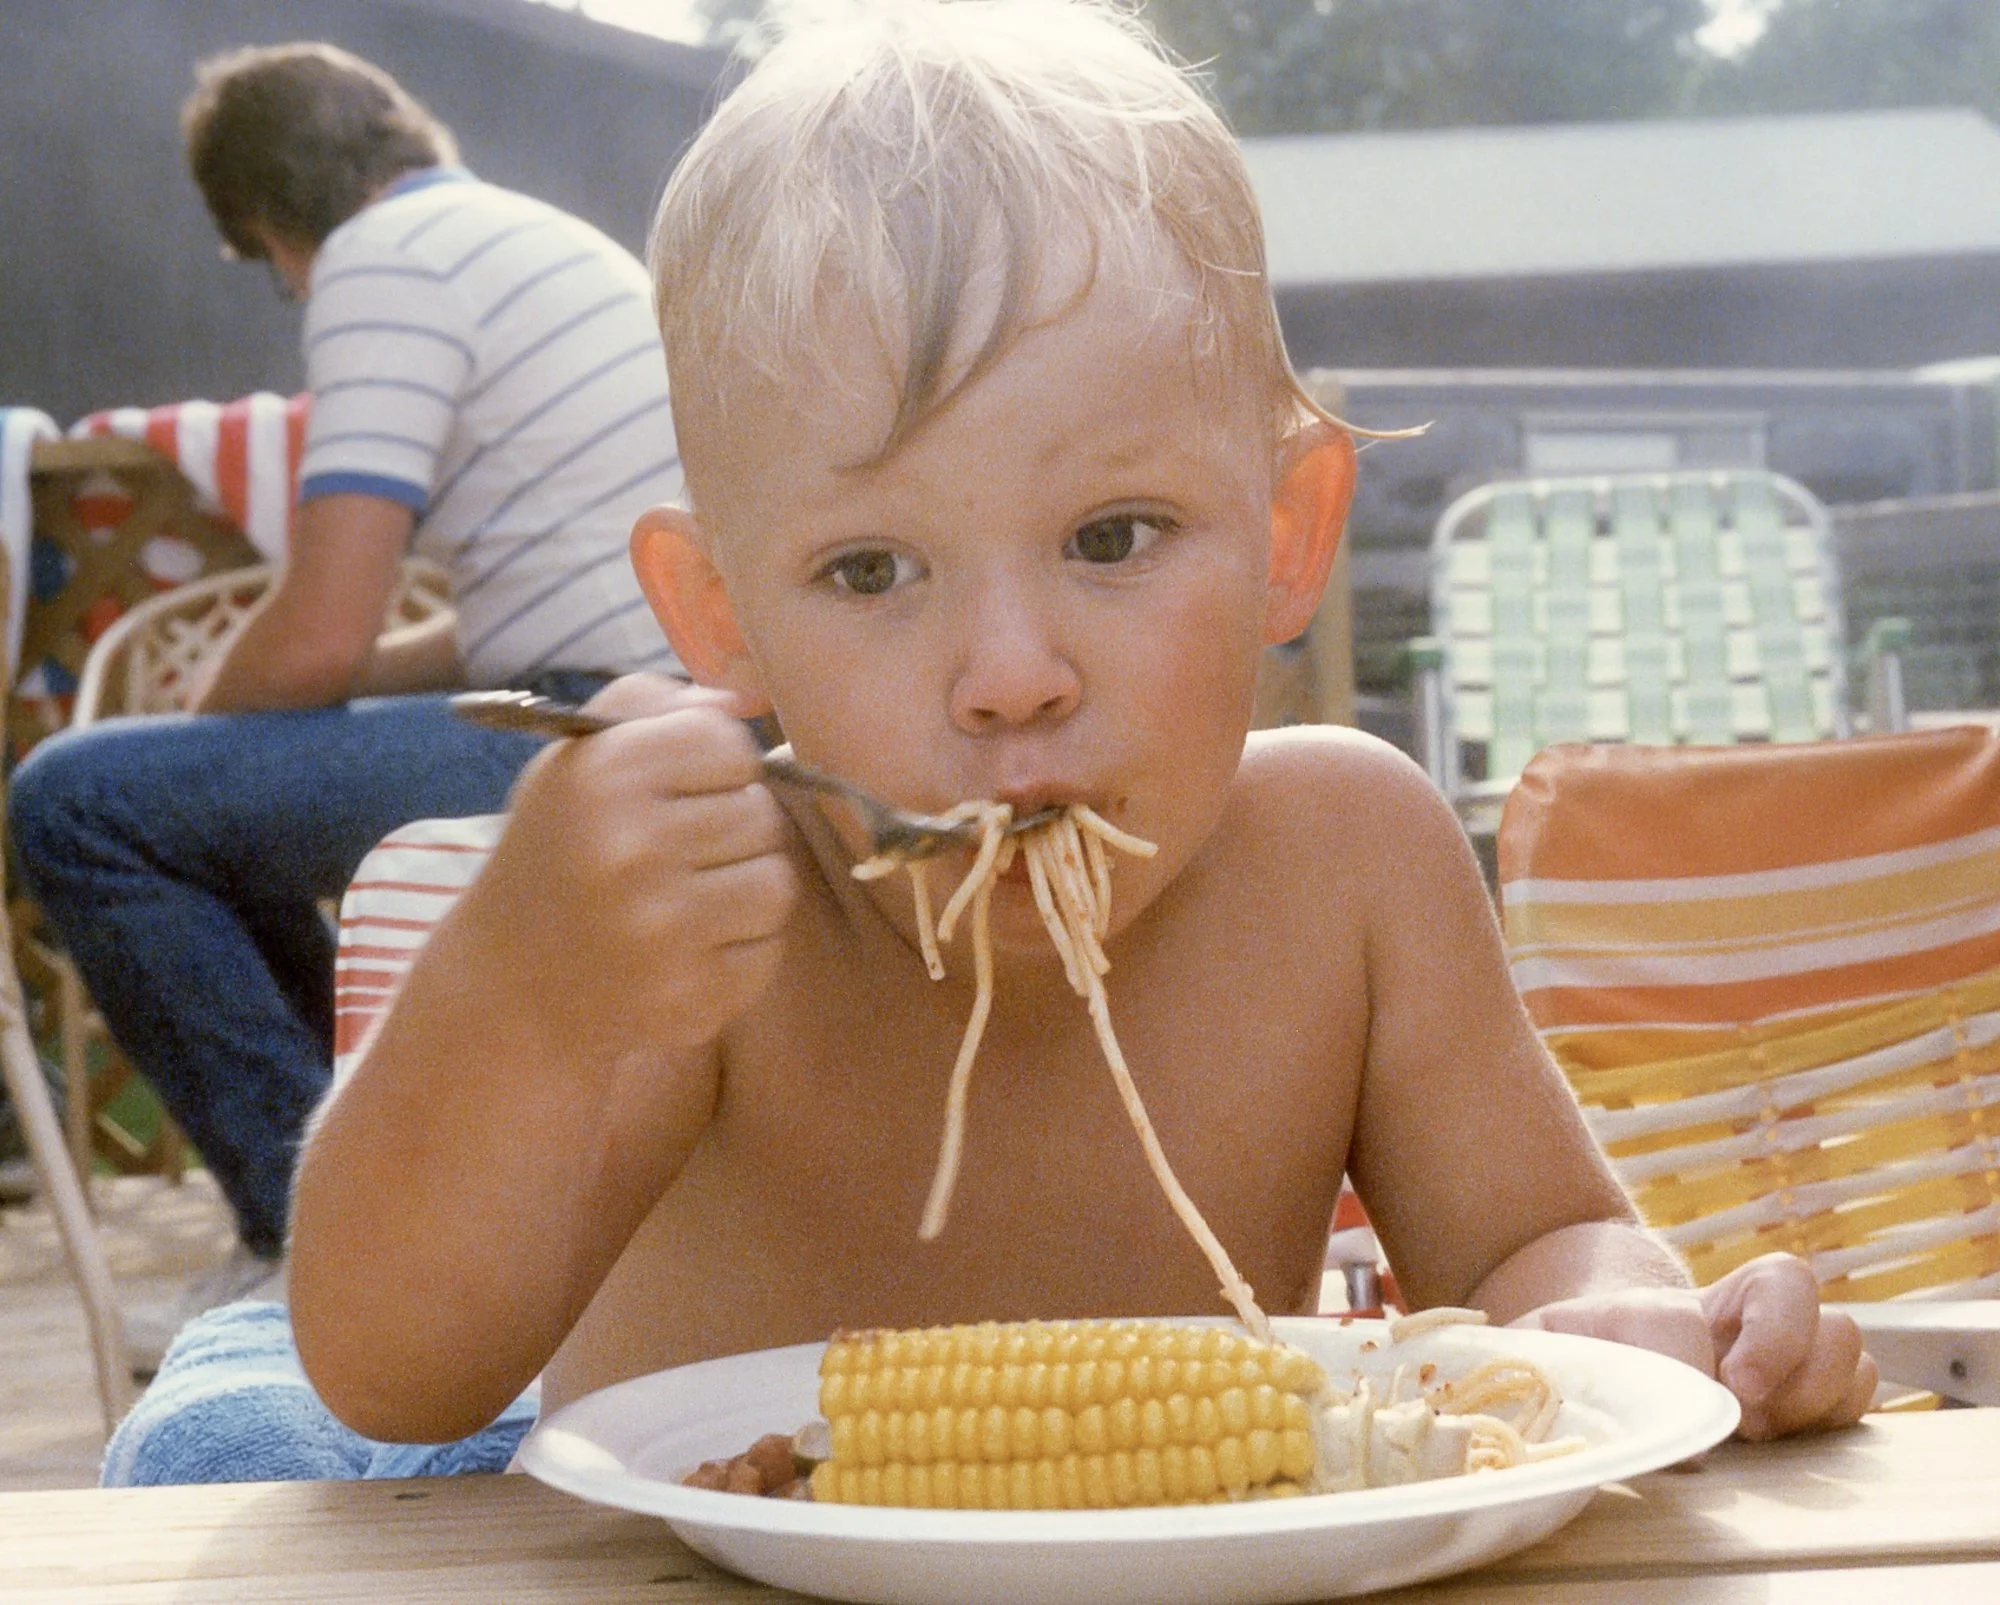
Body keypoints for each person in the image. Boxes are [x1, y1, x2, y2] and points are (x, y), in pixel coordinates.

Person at [106, 0, 1871, 1487]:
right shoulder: (721, 926)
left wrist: (1622, 1317)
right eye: (872, 570)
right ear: (717, 618)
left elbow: (1532, 1246)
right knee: (231, 1450)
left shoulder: (1350, 863)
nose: (1010, 675)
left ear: (1287, 528)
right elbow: (391, 1371)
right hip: (639, 1541)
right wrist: (525, 997)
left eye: (1112, 537)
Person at [8, 41, 683, 1370]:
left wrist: (209, 721)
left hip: (591, 731)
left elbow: (319, 633)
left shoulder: (385, 263)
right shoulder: (533, 239)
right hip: (650, 703)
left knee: (80, 802)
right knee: (185, 806)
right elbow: (496, 624)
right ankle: (387, 1185)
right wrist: (230, 744)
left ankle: (308, 1243)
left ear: (268, 226)